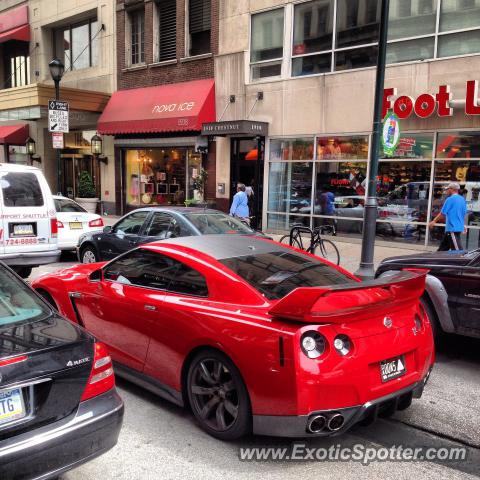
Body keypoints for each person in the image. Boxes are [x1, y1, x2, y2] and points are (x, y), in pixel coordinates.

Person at [429, 182, 467, 251]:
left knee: (458, 252)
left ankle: (461, 262)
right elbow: (463, 213)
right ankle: (437, 260)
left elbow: (442, 213)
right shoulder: (462, 199)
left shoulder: (450, 199)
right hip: (456, 228)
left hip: (452, 228)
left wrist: (434, 221)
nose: (446, 191)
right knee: (442, 250)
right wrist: (463, 224)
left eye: (447, 189)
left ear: (451, 189)